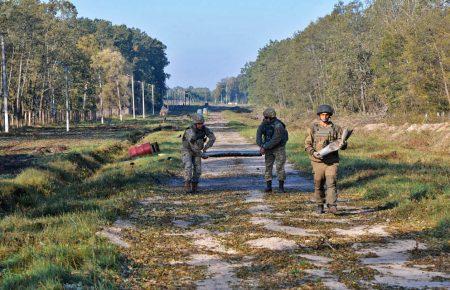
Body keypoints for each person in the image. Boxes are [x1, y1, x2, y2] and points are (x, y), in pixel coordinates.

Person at [304, 104, 347, 214]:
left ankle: (332, 205)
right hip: (317, 161)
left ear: (330, 116)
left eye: (327, 114)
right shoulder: (313, 128)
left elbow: (342, 143)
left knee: (331, 182)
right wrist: (313, 153)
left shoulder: (336, 128)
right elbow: (307, 144)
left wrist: (343, 145)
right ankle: (319, 204)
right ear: (319, 115)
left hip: (331, 161)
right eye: (322, 114)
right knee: (318, 183)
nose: (325, 116)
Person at [256, 108, 289, 193]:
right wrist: (261, 145)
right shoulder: (264, 124)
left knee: (280, 167)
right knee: (268, 167)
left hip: (279, 148)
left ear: (271, 117)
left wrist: (264, 147)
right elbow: (259, 134)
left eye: (266, 117)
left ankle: (281, 187)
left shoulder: (279, 125)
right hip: (269, 149)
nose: (265, 119)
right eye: (264, 117)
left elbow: (275, 139)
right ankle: (268, 186)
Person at [181, 114, 216, 194]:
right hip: (187, 150)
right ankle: (187, 184)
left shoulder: (205, 129)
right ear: (195, 123)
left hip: (197, 151)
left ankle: (194, 186)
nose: (200, 125)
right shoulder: (190, 131)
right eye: (198, 124)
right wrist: (201, 154)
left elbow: (212, 138)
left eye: (201, 123)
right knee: (188, 166)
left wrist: (205, 148)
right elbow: (192, 144)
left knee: (198, 170)